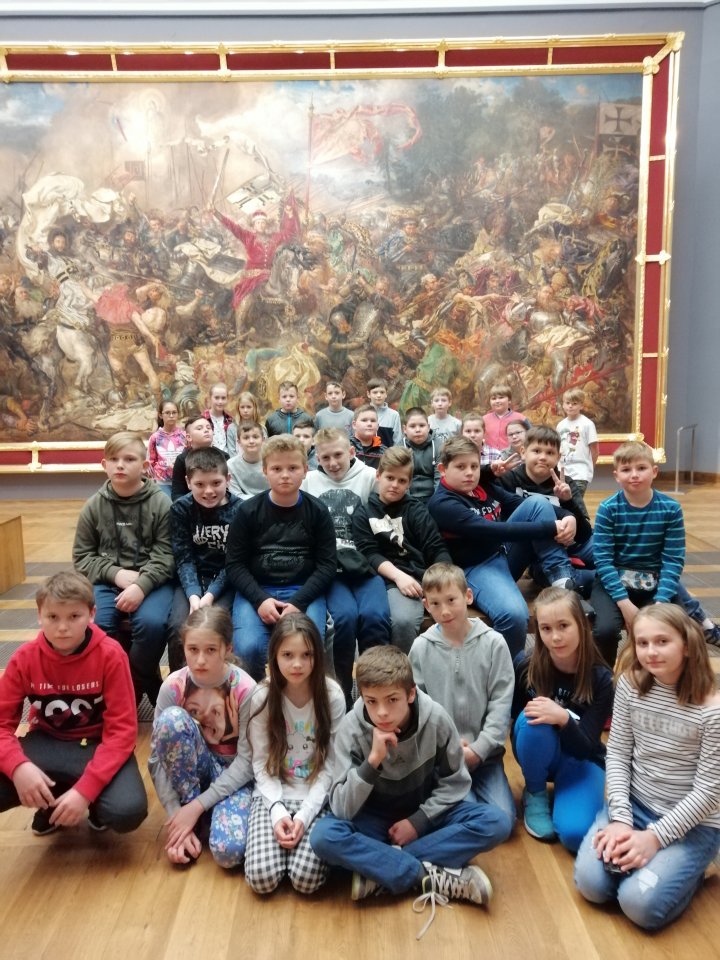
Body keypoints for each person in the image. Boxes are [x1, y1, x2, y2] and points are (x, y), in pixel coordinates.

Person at [310, 646, 496, 939]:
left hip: (421, 811)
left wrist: (418, 821)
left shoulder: (436, 719)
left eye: (392, 700)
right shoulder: (351, 728)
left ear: (410, 694)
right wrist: (372, 762)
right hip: (371, 817)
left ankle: (380, 869)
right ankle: (425, 875)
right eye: (371, 701)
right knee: (323, 836)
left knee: (495, 821)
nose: (381, 712)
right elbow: (342, 807)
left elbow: (456, 782)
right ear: (361, 696)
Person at [574, 604, 720, 930]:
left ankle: (695, 868)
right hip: (636, 806)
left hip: (691, 825)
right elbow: (617, 753)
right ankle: (653, 862)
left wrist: (654, 838)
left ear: (686, 645)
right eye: (642, 643)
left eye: (662, 641)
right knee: (592, 885)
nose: (651, 652)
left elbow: (709, 793)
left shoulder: (712, 711)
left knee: (638, 905)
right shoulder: (629, 685)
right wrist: (620, 819)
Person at [0, 572, 148, 835]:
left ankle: (91, 803)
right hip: (46, 742)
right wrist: (18, 767)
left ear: (92, 614)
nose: (62, 627)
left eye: (74, 616)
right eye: (53, 617)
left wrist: (86, 791)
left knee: (127, 811)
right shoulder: (23, 659)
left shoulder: (111, 655)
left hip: (98, 744)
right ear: (39, 615)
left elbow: (122, 732)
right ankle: (53, 798)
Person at [428, 436, 580, 659]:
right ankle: (504, 671)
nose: (469, 473)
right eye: (460, 467)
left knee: (537, 503)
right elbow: (491, 530)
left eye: (474, 466)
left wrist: (567, 516)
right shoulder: (442, 503)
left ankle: (562, 579)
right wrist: (551, 527)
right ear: (443, 469)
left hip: (502, 553)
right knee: (514, 615)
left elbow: (520, 504)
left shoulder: (480, 486)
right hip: (475, 568)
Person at [409, 563, 516, 837]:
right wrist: (449, 749)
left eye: (451, 600)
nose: (444, 611)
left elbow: (501, 704)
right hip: (444, 760)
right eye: (435, 603)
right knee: (467, 816)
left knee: (503, 819)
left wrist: (478, 750)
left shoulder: (494, 644)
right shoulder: (420, 648)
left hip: (486, 757)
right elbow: (418, 708)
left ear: (468, 596)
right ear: (426, 605)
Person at [591, 440, 720, 665]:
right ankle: (604, 678)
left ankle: (660, 678)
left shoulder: (670, 508)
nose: (634, 475)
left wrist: (661, 602)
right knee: (605, 630)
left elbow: (673, 560)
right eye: (626, 470)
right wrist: (624, 603)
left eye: (641, 468)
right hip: (613, 584)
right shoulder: (608, 508)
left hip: (655, 582)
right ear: (616, 476)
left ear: (654, 471)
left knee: (674, 627)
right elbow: (603, 560)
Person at [244, 613, 346, 895]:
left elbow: (331, 766)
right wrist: (277, 811)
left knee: (306, 879)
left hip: (315, 793)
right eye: (288, 655)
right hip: (272, 792)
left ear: (318, 656)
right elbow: (260, 762)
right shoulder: (263, 695)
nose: (297, 664)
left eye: (306, 655)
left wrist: (304, 814)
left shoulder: (332, 695)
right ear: (274, 656)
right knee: (261, 878)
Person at [73, 431, 174, 704]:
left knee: (151, 624)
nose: (120, 465)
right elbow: (82, 556)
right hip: (107, 581)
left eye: (129, 459)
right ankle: (139, 682)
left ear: (145, 466)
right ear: (103, 465)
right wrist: (115, 573)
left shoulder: (161, 503)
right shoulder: (93, 506)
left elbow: (167, 555)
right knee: (98, 626)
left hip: (152, 582)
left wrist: (141, 585)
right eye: (114, 459)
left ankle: (133, 683)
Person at [149, 607, 256, 866]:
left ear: (227, 649)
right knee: (171, 721)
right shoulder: (173, 686)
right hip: (193, 773)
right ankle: (193, 822)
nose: (200, 660)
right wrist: (177, 815)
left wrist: (197, 806)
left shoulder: (245, 690)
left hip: (233, 775)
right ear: (183, 648)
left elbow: (247, 763)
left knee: (229, 853)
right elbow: (156, 759)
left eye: (210, 650)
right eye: (193, 649)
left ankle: (202, 811)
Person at [225, 435, 337, 680]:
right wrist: (260, 600)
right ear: (265, 470)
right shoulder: (247, 511)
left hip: (303, 589)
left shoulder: (318, 511)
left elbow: (327, 565)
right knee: (248, 649)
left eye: (293, 468)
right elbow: (234, 565)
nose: (285, 475)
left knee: (306, 647)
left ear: (305, 470)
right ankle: (257, 697)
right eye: (276, 469)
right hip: (257, 589)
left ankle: (301, 697)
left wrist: (299, 602)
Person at [512, 587, 613, 851]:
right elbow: (515, 725)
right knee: (533, 719)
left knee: (575, 834)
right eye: (546, 628)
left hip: (582, 758)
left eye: (564, 626)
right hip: (539, 749)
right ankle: (535, 792)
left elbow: (587, 746)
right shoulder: (526, 665)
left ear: (582, 624)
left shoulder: (602, 678)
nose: (555, 637)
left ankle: (577, 797)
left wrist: (563, 718)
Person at [302, 427, 391, 705]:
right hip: (331, 569)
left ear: (351, 452)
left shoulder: (369, 477)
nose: (333, 463)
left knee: (375, 616)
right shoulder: (309, 481)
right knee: (343, 619)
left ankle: (375, 687)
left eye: (338, 455)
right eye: (325, 458)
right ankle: (343, 692)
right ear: (317, 458)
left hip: (366, 564)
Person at [352, 447, 452, 652]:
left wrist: (444, 578)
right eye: (390, 478)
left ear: (409, 483)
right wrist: (399, 577)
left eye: (402, 481)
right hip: (387, 578)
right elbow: (369, 553)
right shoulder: (364, 513)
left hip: (418, 576)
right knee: (389, 619)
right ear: (378, 475)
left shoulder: (416, 510)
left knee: (411, 619)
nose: (395, 485)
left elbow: (435, 546)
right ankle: (391, 668)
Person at [167, 447, 243, 671]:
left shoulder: (241, 510)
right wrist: (194, 596)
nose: (208, 491)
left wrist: (209, 596)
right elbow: (183, 557)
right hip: (190, 580)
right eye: (200, 484)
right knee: (179, 627)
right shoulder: (181, 509)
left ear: (228, 479)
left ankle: (221, 680)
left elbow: (234, 561)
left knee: (214, 627)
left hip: (227, 582)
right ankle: (180, 682)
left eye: (216, 483)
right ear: (188, 482)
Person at [495, 424, 594, 576]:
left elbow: (584, 535)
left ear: (558, 457)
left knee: (608, 551)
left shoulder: (566, 483)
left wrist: (568, 502)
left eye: (550, 453)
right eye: (536, 451)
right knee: (548, 573)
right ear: (523, 452)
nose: (543, 457)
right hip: (531, 549)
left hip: (569, 545)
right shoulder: (508, 479)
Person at [171, 414, 229, 501]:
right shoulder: (182, 460)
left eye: (208, 428)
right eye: (199, 428)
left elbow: (228, 489)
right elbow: (177, 493)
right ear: (188, 437)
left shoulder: (223, 456)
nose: (206, 430)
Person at [557, 387, 598, 497]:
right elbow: (558, 449)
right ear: (563, 404)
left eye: (574, 403)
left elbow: (594, 450)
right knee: (563, 502)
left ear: (581, 405)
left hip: (580, 473)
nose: (570, 406)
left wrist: (589, 468)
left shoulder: (587, 424)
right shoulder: (560, 425)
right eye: (567, 403)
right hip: (562, 472)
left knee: (576, 501)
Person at [401, 407, 443, 503]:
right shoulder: (399, 448)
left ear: (428, 427)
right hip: (406, 498)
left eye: (422, 425)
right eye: (412, 426)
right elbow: (399, 479)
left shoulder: (439, 446)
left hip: (433, 498)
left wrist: (436, 502)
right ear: (405, 429)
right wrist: (408, 503)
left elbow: (439, 479)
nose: (418, 430)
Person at [148, 399, 187, 498]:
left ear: (178, 414)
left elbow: (188, 456)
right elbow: (151, 461)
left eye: (174, 412)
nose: (171, 415)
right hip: (162, 482)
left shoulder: (184, 435)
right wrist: (155, 478)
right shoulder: (155, 437)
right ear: (161, 415)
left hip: (181, 480)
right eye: (167, 413)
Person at [227, 419, 270, 500]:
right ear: (239, 442)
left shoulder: (273, 461)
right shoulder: (231, 465)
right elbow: (235, 494)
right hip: (244, 504)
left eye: (255, 437)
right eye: (246, 438)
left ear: (263, 440)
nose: (251, 441)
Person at [482, 382, 527, 450]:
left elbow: (532, 437)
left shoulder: (521, 418)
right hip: (490, 455)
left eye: (501, 398)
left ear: (509, 400)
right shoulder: (484, 419)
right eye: (494, 398)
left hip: (513, 455)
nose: (497, 401)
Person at [203, 382, 238, 457]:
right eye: (216, 398)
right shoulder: (202, 419)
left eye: (223, 398)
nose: (220, 402)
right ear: (210, 398)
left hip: (227, 460)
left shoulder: (230, 420)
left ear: (227, 399)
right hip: (208, 458)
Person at [350, 404, 387, 470]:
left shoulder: (384, 452)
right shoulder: (346, 447)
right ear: (354, 425)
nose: (369, 424)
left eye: (373, 421)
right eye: (364, 420)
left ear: (377, 426)